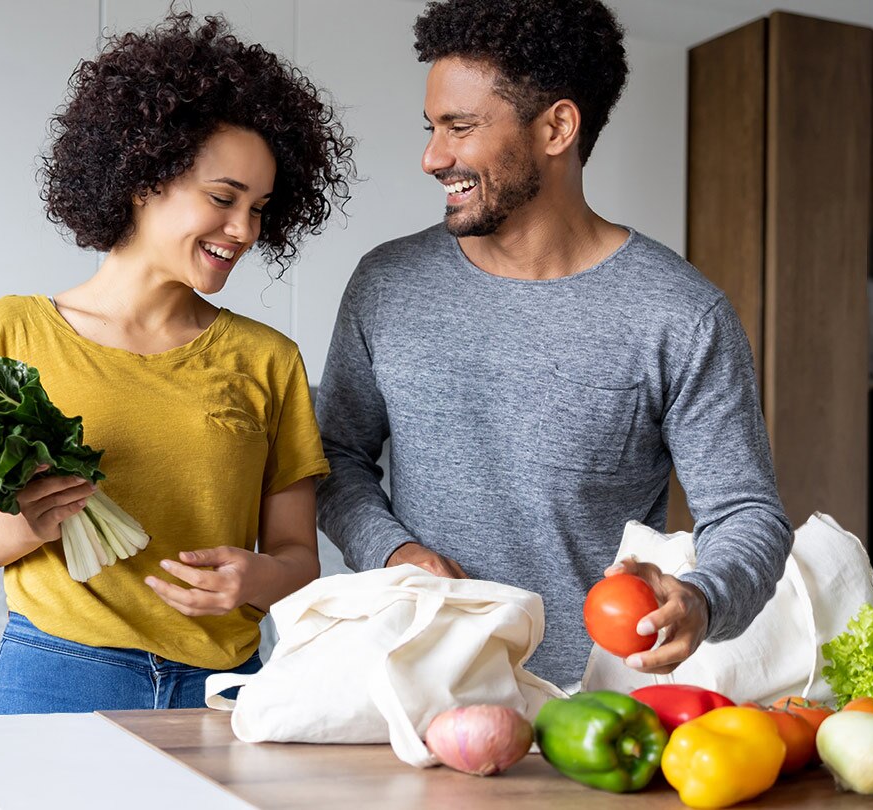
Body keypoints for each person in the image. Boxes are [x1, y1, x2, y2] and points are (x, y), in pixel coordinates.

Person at [317, 0, 791, 688]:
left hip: (592, 703)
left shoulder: (680, 314)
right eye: (432, 127)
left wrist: (703, 597)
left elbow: (747, 514)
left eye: (461, 127)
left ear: (557, 128)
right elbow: (334, 457)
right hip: (421, 685)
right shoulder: (386, 285)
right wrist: (393, 552)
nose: (432, 157)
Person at [0, 13, 354, 714]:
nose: (245, 231)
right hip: (59, 674)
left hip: (226, 689)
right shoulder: (9, 334)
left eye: (260, 208)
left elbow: (300, 561)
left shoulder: (269, 360)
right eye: (223, 198)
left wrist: (254, 579)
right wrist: (35, 519)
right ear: (144, 178)